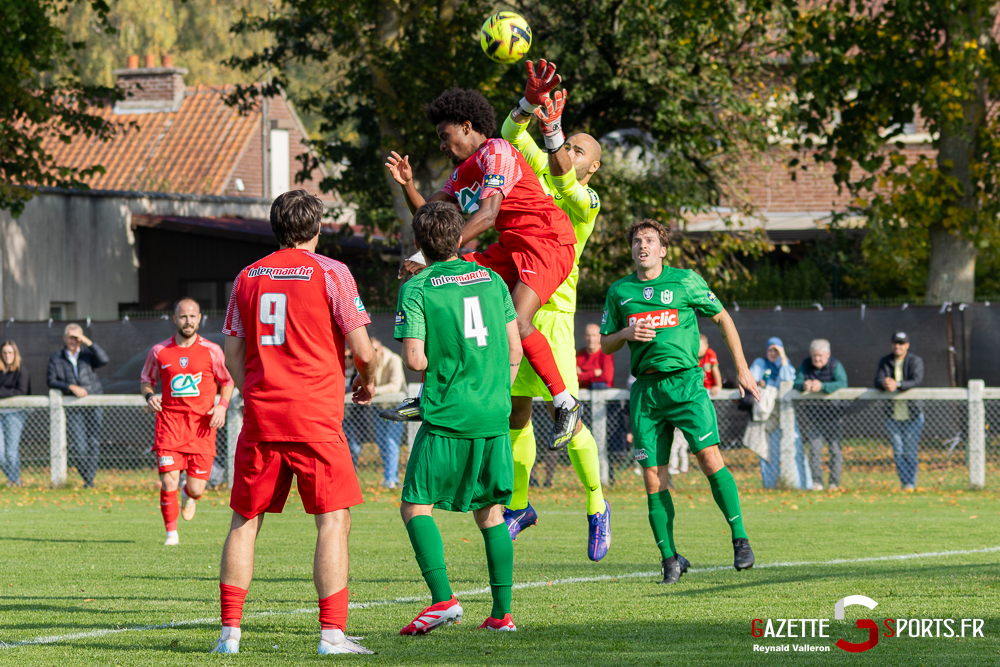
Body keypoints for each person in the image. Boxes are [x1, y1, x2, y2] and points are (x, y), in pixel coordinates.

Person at [215, 189, 377, 655]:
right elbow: (364, 351)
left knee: (245, 519)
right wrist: (366, 381)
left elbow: (231, 353)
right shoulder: (331, 272)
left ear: (275, 227)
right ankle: (332, 635)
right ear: (318, 227)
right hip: (315, 416)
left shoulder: (247, 276)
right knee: (333, 519)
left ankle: (229, 635)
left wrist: (255, 392)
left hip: (262, 416)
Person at [383, 85, 581, 449]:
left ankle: (565, 402)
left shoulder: (498, 151)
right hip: (510, 245)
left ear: (466, 126)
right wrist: (408, 185)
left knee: (517, 322)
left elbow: (488, 215)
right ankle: (427, 396)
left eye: (444, 136)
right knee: (447, 289)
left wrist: (427, 255)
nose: (441, 145)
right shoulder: (461, 172)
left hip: (546, 240)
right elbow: (430, 216)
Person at [600, 219, 760, 584]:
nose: (642, 245)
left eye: (649, 240)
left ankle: (740, 539)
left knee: (709, 458)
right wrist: (626, 333)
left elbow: (722, 318)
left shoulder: (685, 280)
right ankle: (670, 559)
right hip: (646, 392)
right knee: (652, 478)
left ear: (663, 250)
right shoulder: (620, 290)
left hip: (686, 384)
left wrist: (742, 368)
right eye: (636, 241)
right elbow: (607, 343)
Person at [495, 61, 609, 559]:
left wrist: (554, 132)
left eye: (579, 150)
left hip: (555, 320)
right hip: (516, 307)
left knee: (565, 416)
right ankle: (519, 506)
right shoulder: (538, 169)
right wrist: (528, 102)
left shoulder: (587, 200)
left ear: (593, 167)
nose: (569, 153)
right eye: (569, 145)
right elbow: (507, 137)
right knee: (514, 413)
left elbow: (564, 185)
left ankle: (597, 504)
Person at [394, 201, 522, 635]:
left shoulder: (417, 287)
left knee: (415, 505)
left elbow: (415, 359)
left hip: (449, 412)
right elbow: (515, 348)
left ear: (419, 243)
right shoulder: (492, 279)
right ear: (458, 238)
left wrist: (448, 364)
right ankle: (502, 615)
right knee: (491, 513)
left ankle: (443, 600)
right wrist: (495, 390)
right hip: (494, 412)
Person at [140, 298, 235, 545]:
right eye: (183, 316)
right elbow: (146, 379)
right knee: (168, 480)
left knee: (196, 489)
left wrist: (222, 406)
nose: (188, 321)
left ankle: (188, 494)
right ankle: (171, 534)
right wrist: (149, 396)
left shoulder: (212, 350)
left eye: (192, 316)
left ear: (199, 318)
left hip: (202, 428)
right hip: (169, 426)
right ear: (175, 319)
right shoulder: (159, 351)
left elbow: (227, 381)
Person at [47, 324, 108, 488]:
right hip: (73, 407)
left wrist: (88, 342)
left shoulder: (88, 354)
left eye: (76, 338)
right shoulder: (57, 357)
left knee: (94, 443)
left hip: (93, 404)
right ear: (64, 338)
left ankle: (89, 482)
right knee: (79, 446)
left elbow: (104, 359)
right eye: (70, 337)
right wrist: (71, 387)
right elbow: (51, 380)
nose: (73, 341)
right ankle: (87, 478)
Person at [747, 338, 811, 489]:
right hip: (766, 415)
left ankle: (802, 485)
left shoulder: (784, 363)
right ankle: (770, 485)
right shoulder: (760, 363)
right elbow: (749, 380)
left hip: (785, 414)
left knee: (795, 447)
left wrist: (783, 357)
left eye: (776, 350)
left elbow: (788, 379)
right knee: (767, 451)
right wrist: (758, 383)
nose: (773, 353)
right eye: (770, 350)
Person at [794, 339, 849, 491]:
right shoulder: (806, 364)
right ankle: (817, 482)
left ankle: (834, 483)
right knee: (814, 450)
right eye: (814, 356)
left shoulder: (835, 365)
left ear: (828, 354)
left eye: (820, 356)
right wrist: (803, 385)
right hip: (814, 417)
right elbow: (796, 382)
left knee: (835, 450)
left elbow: (842, 383)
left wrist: (823, 386)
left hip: (834, 416)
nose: (817, 359)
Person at [874, 331, 925, 491]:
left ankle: (911, 483)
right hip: (893, 415)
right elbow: (878, 380)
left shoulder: (915, 361)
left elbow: (917, 380)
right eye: (895, 343)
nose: (898, 346)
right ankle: (906, 483)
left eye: (901, 343)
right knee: (898, 452)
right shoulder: (885, 361)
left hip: (913, 415)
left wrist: (898, 384)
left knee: (910, 451)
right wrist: (885, 384)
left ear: (907, 345)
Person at [371, 338, 407, 489]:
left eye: (374, 350)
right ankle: (390, 477)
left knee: (391, 442)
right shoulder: (369, 362)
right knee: (382, 443)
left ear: (381, 349)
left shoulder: (394, 359)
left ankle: (391, 480)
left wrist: (374, 391)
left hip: (396, 407)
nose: (372, 353)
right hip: (379, 407)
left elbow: (395, 386)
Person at [0, 340, 29, 487]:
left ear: (15, 353)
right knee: (0, 453)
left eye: (10, 352)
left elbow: (21, 391)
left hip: (15, 413)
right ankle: (14, 479)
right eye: (4, 353)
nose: (7, 356)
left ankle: (14, 481)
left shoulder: (21, 371)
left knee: (11, 451)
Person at [577, 324, 614, 390]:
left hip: (603, 393)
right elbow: (575, 378)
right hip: (582, 394)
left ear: (599, 337)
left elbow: (607, 378)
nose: (591, 339)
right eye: (588, 336)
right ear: (583, 337)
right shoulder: (578, 355)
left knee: (597, 385)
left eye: (594, 336)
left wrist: (584, 377)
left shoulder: (606, 353)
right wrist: (594, 373)